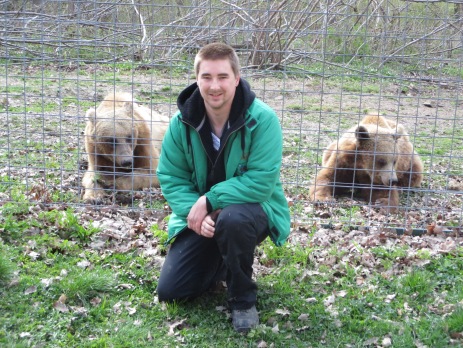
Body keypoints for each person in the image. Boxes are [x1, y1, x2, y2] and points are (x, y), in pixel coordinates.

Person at [156, 42, 291, 333]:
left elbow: (260, 182)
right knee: (172, 291)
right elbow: (171, 177)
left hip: (251, 210)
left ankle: (242, 300)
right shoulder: (181, 124)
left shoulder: (262, 120)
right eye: (206, 77)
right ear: (197, 79)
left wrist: (209, 200)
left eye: (222, 77)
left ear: (237, 78)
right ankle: (223, 256)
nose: (214, 86)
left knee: (233, 219)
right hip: (203, 216)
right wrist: (196, 214)